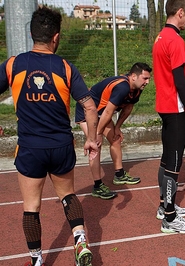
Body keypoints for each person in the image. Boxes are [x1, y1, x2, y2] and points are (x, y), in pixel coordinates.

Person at [0, 6, 97, 266]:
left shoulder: (13, 64)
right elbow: (89, 106)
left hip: (30, 148)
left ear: (32, 34)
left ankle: (37, 260)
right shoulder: (65, 67)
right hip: (61, 146)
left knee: (31, 207)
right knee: (68, 195)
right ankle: (80, 240)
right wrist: (92, 139)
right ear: (56, 37)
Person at [152, 0, 185, 234]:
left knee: (166, 159)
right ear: (180, 13)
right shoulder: (176, 40)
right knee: (173, 165)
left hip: (164, 106)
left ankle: (164, 206)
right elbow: (180, 82)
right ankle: (170, 218)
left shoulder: (161, 36)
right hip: (176, 108)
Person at [75, 62, 152, 200]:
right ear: (133, 76)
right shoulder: (122, 87)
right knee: (95, 146)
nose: (147, 82)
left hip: (102, 112)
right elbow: (108, 112)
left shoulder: (138, 88)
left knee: (115, 139)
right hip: (88, 111)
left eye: (149, 79)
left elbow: (128, 108)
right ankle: (97, 186)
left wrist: (117, 127)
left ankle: (119, 175)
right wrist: (97, 134)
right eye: (145, 78)